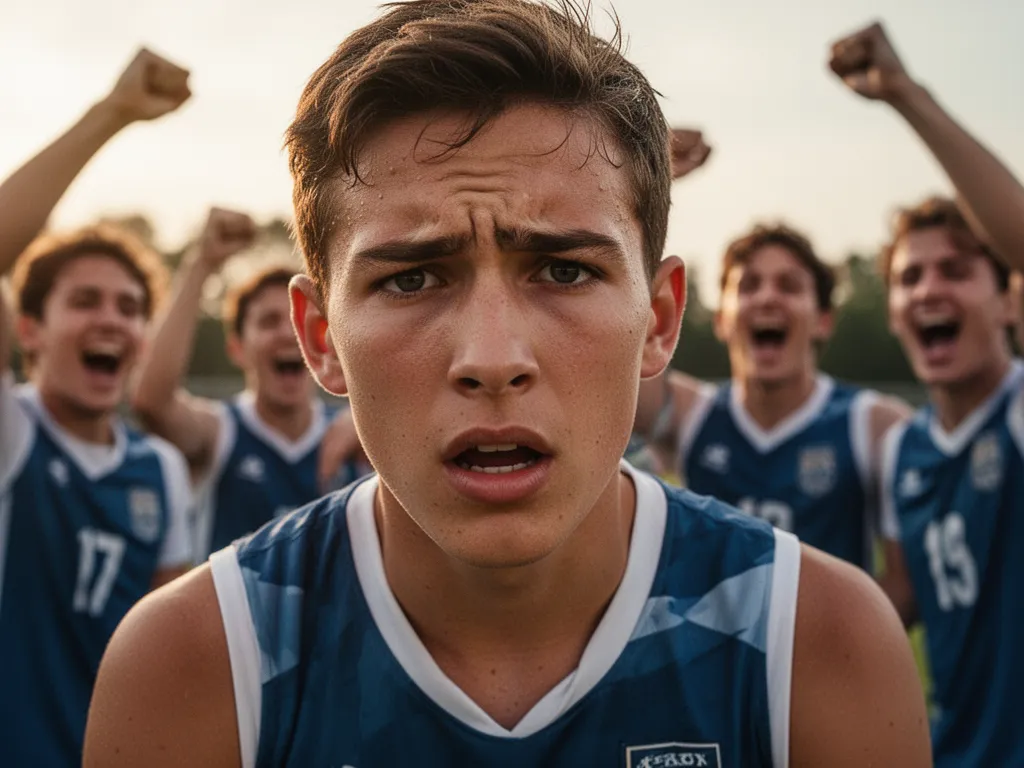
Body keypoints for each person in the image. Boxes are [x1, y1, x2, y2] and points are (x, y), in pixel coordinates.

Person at [83, 3, 931, 766]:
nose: (492, 357)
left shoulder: (819, 639)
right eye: (412, 280)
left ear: (662, 318)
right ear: (321, 338)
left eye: (563, 269)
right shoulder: (193, 661)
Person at [828, 20, 1024, 767]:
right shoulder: (906, 446)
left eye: (955, 270)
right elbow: (897, 600)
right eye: (910, 276)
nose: (927, 289)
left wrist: (908, 97)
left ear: (1008, 300)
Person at [0, 49, 194, 765]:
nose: (113, 320)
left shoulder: (161, 469)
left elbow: (172, 655)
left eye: (130, 307)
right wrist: (112, 114)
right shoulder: (14, 434)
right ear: (29, 330)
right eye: (84, 301)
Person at [634, 220, 911, 571]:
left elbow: (906, 584)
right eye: (749, 285)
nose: (767, 297)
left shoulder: (871, 423)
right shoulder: (693, 414)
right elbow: (619, 360)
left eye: (789, 285)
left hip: (823, 626)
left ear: (823, 319)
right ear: (722, 319)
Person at [131, 208, 366, 561]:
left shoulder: (357, 434)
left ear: (323, 340)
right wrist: (201, 265)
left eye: (296, 321)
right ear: (237, 348)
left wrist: (367, 422)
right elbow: (152, 401)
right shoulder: (222, 431)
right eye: (269, 321)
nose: (288, 333)